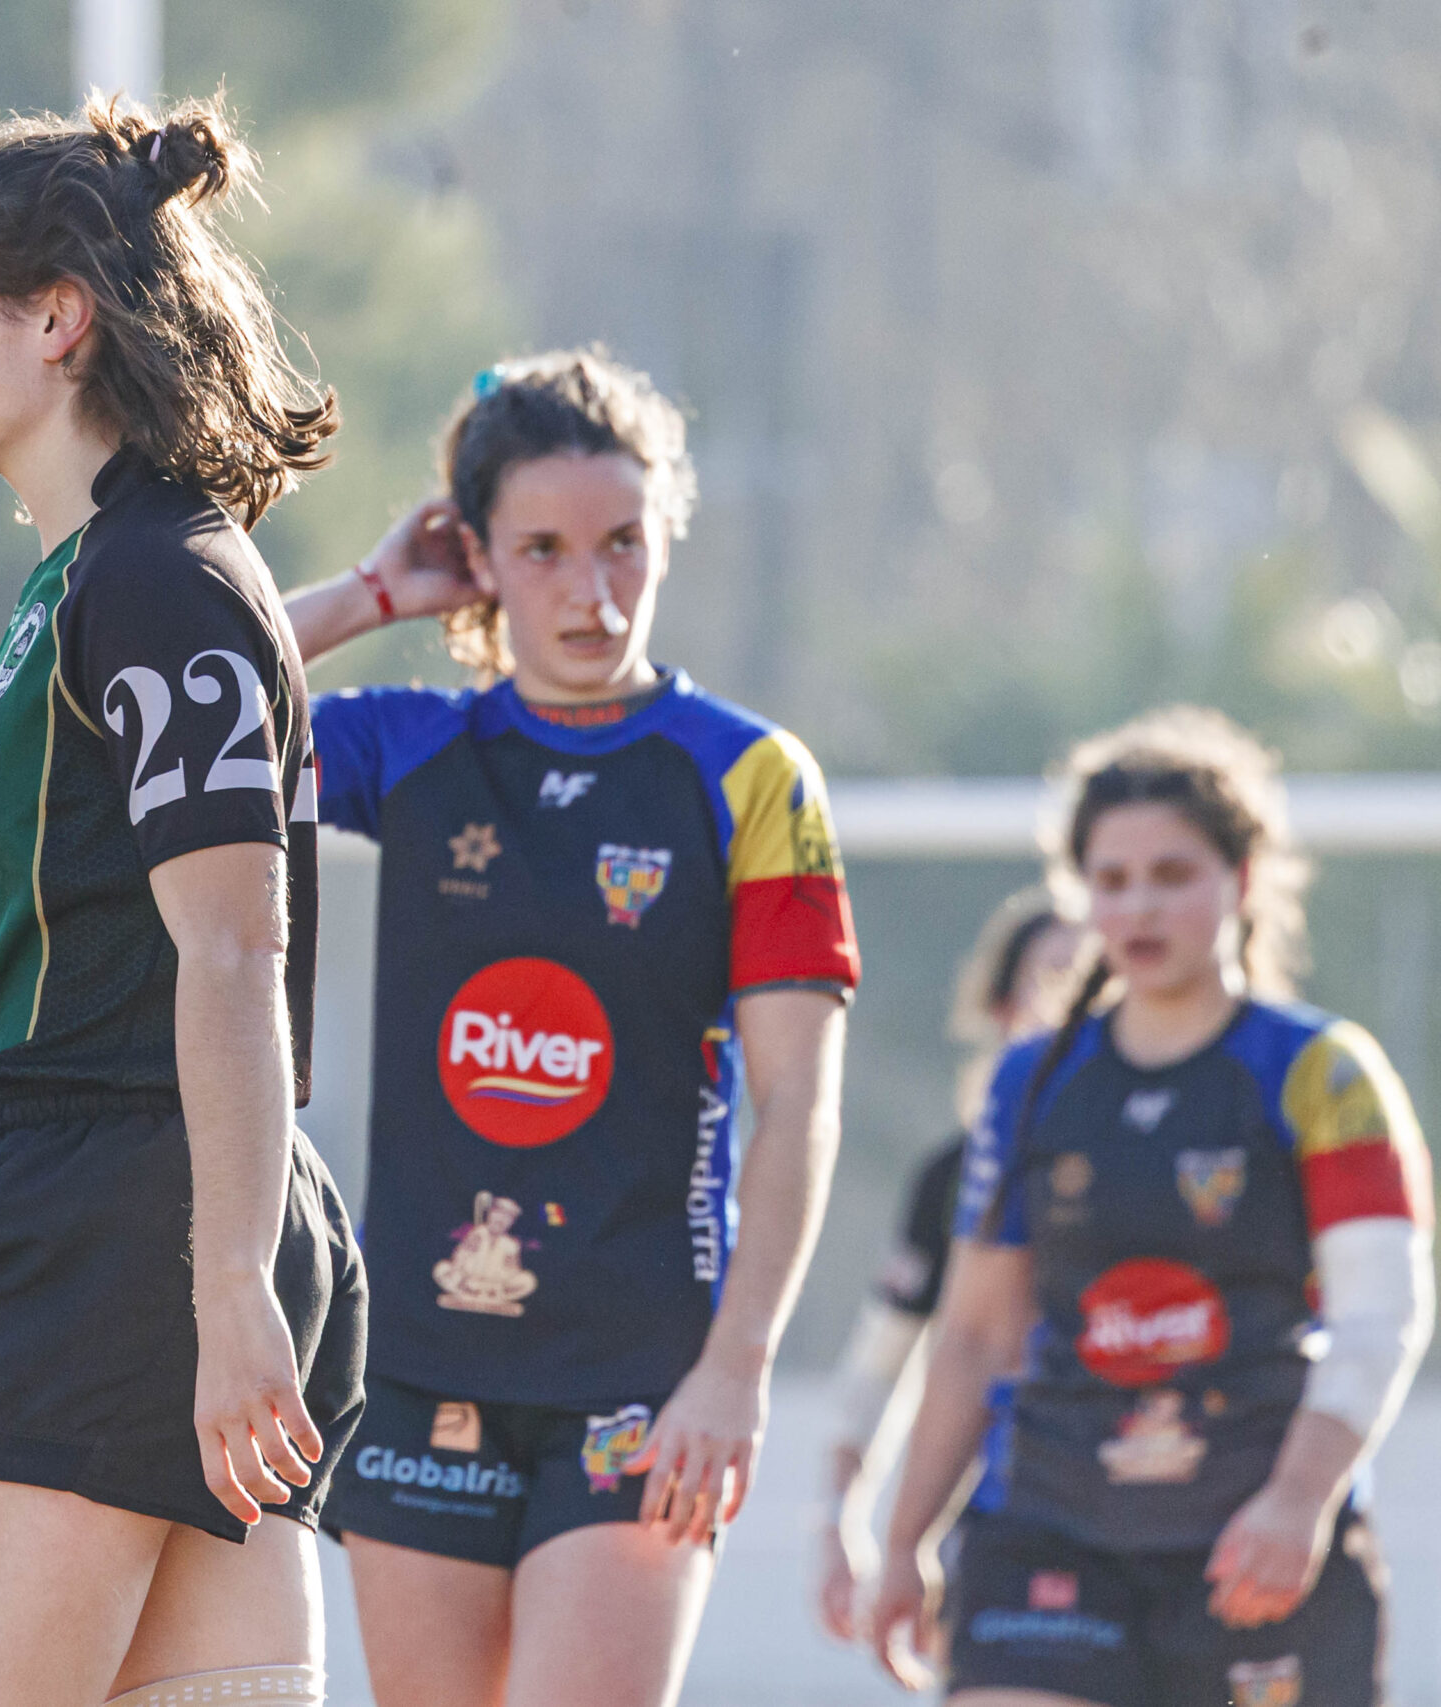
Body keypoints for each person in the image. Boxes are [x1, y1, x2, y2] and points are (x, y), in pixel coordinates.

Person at [0, 94, 366, 1707]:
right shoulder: (87, 580)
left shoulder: (157, 574)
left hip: (121, 1240)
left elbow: (232, 952)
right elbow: (37, 1026)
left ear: (56, 320)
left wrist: (226, 1286)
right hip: (132, 1214)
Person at [281, 348, 859, 1707]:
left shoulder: (750, 777)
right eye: (541, 549)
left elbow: (799, 1105)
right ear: (476, 553)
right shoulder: (414, 747)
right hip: (418, 1364)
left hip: (645, 1377)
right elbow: (154, 718)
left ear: (667, 537)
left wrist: (737, 1368)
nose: (591, 592)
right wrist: (371, 595)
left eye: (623, 544)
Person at [864, 707, 1435, 1707]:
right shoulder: (1030, 1083)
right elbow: (973, 1334)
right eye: (1112, 880)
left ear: (1241, 881)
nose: (1139, 907)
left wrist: (1297, 1500)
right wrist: (905, 1539)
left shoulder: (1323, 1072)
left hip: (1252, 1538)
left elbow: (1378, 1319)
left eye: (1172, 875)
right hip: (1049, 1529)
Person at [813, 888, 1080, 1645]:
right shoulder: (955, 1176)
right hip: (1000, 1527)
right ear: (1002, 1007)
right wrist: (844, 1522)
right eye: (1055, 977)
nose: (1078, 1002)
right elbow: (882, 1363)